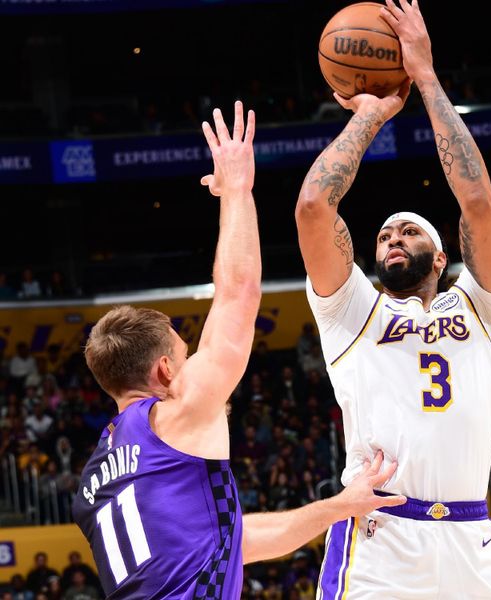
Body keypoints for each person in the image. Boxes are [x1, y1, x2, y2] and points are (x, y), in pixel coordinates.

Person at [72, 103, 404, 599]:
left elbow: (233, 543)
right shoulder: (176, 414)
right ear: (164, 370)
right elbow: (239, 293)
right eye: (187, 358)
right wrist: (237, 191)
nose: (199, 371)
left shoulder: (94, 479)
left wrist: (342, 505)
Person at [295, 1, 491, 596]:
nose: (393, 237)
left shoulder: (482, 307)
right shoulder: (354, 313)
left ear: (442, 258)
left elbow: (477, 203)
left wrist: (424, 76)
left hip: (471, 540)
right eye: (384, 234)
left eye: (409, 230)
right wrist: (369, 116)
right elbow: (314, 209)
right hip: (381, 538)